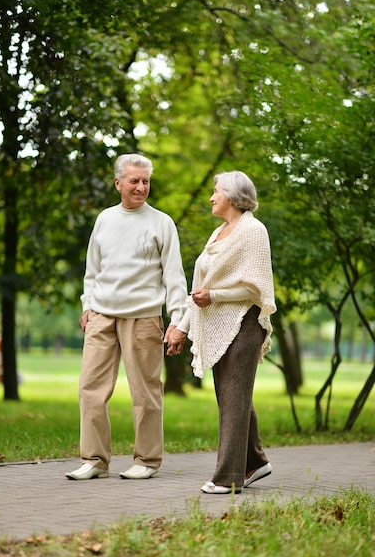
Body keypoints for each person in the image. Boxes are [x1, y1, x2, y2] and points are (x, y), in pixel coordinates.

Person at [66, 153, 188, 481]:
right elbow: (93, 268)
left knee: (145, 391)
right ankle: (94, 460)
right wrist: (87, 304)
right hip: (102, 315)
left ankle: (147, 460)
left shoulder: (161, 222)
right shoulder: (105, 219)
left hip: (143, 317)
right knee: (90, 388)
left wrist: (178, 319)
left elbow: (174, 276)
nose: (141, 187)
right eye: (134, 180)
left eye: (146, 181)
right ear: (118, 183)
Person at [167, 170, 276, 494]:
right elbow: (199, 290)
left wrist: (216, 296)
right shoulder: (218, 233)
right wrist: (180, 329)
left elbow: (257, 289)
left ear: (231, 195)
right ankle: (256, 461)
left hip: (244, 324)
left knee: (233, 398)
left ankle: (228, 478)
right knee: (232, 398)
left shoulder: (254, 231)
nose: (212, 197)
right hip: (217, 322)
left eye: (216, 191)